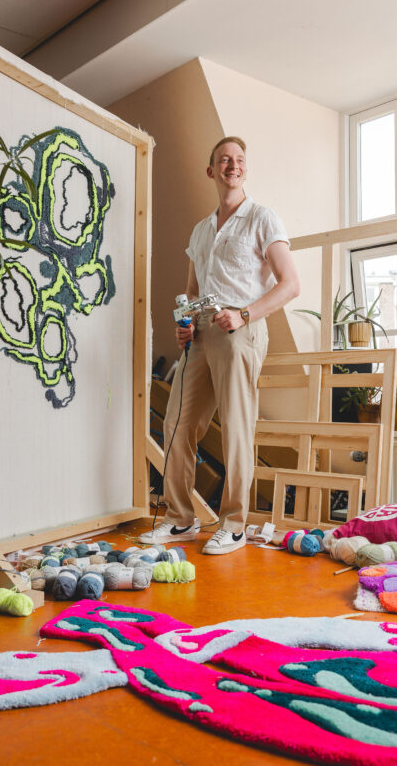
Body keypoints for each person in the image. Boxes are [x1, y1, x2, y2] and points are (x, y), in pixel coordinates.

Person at [140, 136, 300, 555]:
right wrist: (185, 324)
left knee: (235, 427)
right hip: (203, 331)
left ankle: (233, 524)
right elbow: (192, 290)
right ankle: (180, 520)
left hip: (239, 329)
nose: (233, 165)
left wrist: (245, 314)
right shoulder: (201, 230)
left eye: (240, 160)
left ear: (245, 169)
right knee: (177, 423)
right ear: (211, 171)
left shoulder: (262, 218)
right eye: (224, 160)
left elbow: (291, 284)